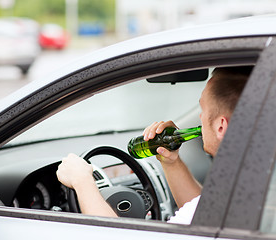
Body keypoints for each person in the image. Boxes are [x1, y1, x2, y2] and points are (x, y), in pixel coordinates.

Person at [56, 66, 253, 224]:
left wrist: (83, 182)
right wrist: (171, 162)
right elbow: (203, 217)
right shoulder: (255, 184)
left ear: (220, 127)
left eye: (202, 109)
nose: (200, 117)